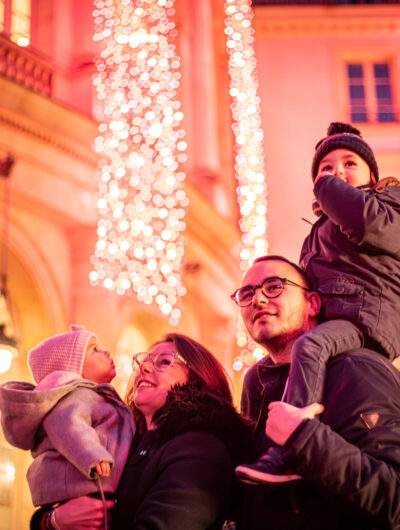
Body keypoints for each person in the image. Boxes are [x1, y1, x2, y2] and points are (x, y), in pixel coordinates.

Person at [235, 121, 400, 484]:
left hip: (366, 316)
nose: (337, 171)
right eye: (326, 168)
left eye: (349, 163)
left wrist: (328, 186)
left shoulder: (387, 201)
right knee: (277, 363)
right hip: (340, 319)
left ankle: (289, 445)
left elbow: (367, 224)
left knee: (311, 345)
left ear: (373, 174)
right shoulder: (319, 232)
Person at [232, 255, 400, 529]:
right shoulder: (258, 383)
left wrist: (304, 439)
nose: (257, 300)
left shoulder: (356, 368)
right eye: (246, 293)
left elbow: (394, 502)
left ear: (312, 303)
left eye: (274, 287)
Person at [30, 333, 252, 530]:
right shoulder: (123, 442)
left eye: (164, 362)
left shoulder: (201, 451)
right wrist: (52, 521)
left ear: (198, 378)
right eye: (143, 363)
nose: (144, 368)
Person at [0, 325, 135, 530]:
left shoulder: (97, 397)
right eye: (95, 350)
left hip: (94, 489)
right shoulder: (77, 395)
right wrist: (92, 454)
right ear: (72, 368)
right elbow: (68, 425)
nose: (106, 352)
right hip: (83, 485)